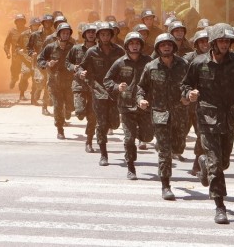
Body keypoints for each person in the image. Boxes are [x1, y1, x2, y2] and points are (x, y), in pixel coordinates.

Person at [181, 23, 234, 224]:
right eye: (220, 41)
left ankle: (203, 164)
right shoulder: (198, 63)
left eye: (227, 41)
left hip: (229, 117)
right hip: (206, 117)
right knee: (216, 164)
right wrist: (189, 93)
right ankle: (220, 206)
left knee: (224, 162)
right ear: (213, 43)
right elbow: (185, 84)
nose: (224, 44)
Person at [137, 33, 190, 200]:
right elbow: (141, 87)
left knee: (178, 147)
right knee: (165, 151)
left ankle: (169, 147)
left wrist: (189, 95)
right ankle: (165, 185)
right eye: (162, 45)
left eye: (169, 44)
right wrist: (141, 99)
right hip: (160, 113)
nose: (166, 47)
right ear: (158, 48)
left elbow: (192, 84)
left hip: (180, 113)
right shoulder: (151, 67)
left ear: (174, 47)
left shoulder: (184, 65)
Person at [104, 32, 153, 180]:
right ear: (127, 45)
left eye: (137, 43)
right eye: (132, 43)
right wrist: (117, 87)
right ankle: (131, 166)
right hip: (126, 106)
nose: (135, 46)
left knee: (148, 136)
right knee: (129, 139)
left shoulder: (149, 62)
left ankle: (137, 133)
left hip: (145, 106)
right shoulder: (120, 62)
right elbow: (107, 80)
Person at [77, 21, 125, 166]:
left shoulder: (119, 51)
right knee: (101, 123)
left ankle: (106, 132)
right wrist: (81, 72)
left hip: (114, 90)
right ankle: (103, 154)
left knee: (115, 123)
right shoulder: (92, 52)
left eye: (107, 34)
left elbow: (127, 66)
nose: (105, 37)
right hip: (98, 89)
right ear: (98, 36)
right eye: (102, 34)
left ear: (111, 35)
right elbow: (81, 67)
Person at [37, 23, 76, 140]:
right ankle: (60, 129)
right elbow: (40, 59)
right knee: (58, 106)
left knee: (70, 105)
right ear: (59, 34)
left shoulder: (73, 48)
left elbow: (80, 59)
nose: (65, 35)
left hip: (69, 81)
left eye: (67, 33)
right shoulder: (50, 47)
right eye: (63, 33)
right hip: (55, 81)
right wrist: (47, 64)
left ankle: (68, 111)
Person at [65, 23, 98, 153]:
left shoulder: (99, 49)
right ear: (84, 34)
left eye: (93, 32)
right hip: (79, 85)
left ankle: (89, 141)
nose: (91, 34)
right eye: (88, 32)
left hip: (94, 87)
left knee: (92, 116)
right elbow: (68, 62)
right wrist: (75, 68)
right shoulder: (76, 48)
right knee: (79, 112)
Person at [182, 29, 210, 175]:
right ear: (197, 44)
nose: (205, 44)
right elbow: (181, 80)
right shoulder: (187, 59)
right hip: (187, 103)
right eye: (202, 42)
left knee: (202, 134)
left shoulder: (215, 59)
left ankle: (196, 163)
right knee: (179, 136)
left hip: (204, 104)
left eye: (207, 41)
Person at [27, 14, 54, 113]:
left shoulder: (55, 35)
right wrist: (32, 53)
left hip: (50, 62)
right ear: (43, 23)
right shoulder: (35, 35)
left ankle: (44, 107)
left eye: (50, 22)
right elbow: (29, 47)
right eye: (46, 22)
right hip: (39, 61)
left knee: (48, 84)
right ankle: (37, 91)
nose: (48, 24)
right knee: (40, 82)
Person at [15, 17, 41, 101]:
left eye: (37, 25)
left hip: (37, 60)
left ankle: (34, 96)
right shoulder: (24, 35)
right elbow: (17, 46)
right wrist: (19, 51)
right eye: (34, 25)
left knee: (36, 78)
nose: (36, 27)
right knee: (25, 74)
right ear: (30, 26)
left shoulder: (41, 35)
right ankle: (22, 93)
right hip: (26, 60)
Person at [4, 13, 27, 90]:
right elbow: (6, 44)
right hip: (15, 58)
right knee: (15, 75)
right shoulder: (11, 31)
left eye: (22, 21)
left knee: (25, 75)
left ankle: (22, 92)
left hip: (26, 57)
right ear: (16, 22)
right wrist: (7, 53)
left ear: (24, 22)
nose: (20, 23)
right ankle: (14, 80)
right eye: (18, 21)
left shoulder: (28, 31)